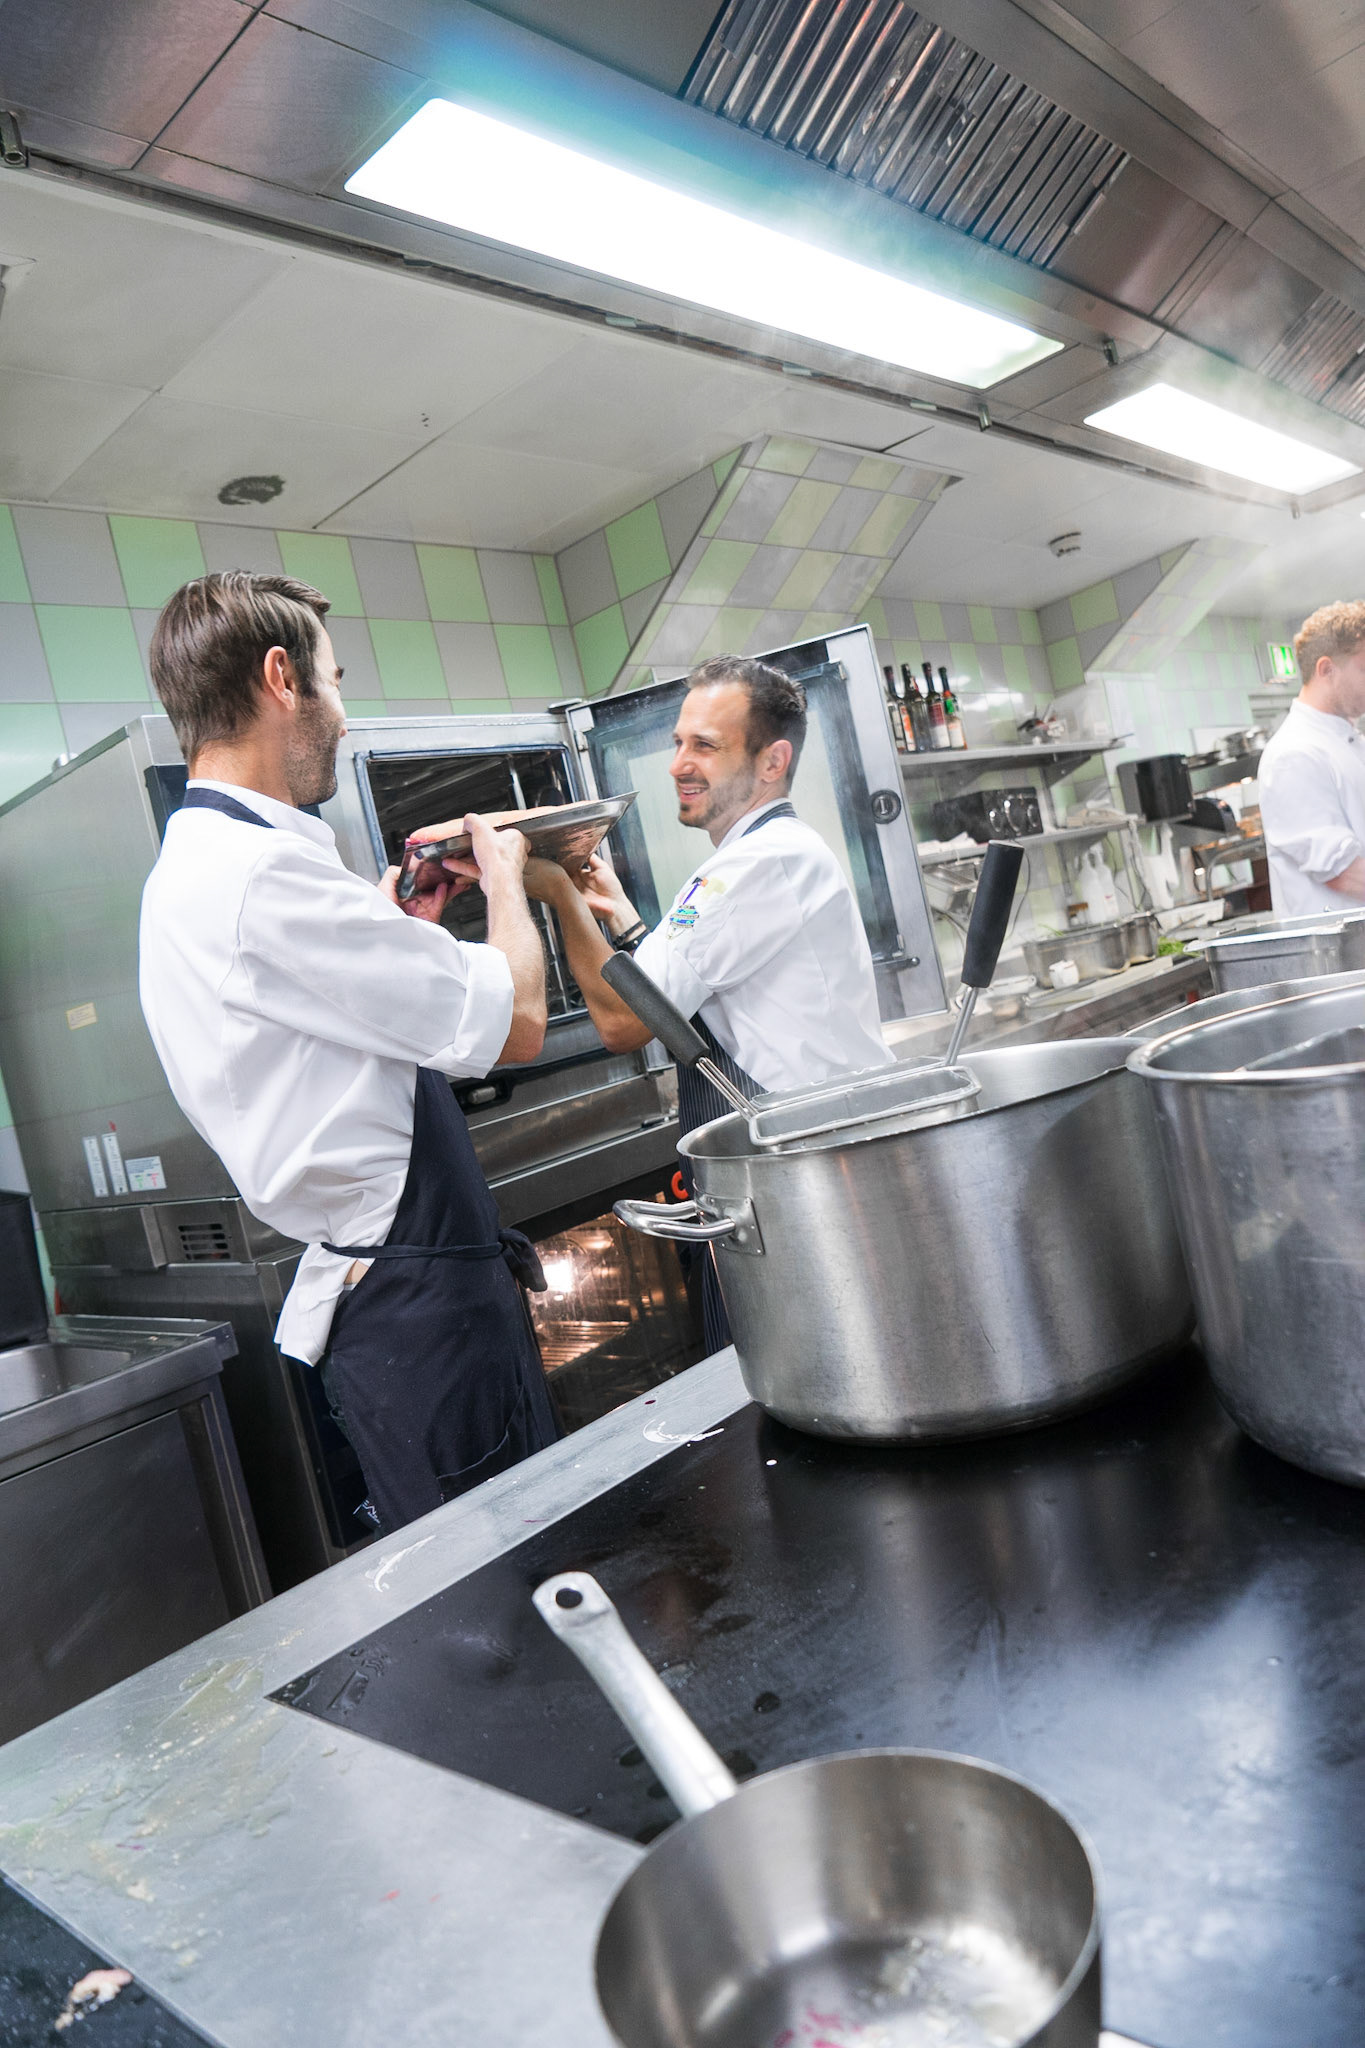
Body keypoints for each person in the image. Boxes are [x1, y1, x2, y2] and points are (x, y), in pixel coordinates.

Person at [138, 571, 561, 1537]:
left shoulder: (205, 865)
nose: (342, 713)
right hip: (420, 1312)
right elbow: (519, 1023)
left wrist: (397, 931)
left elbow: (313, 1041)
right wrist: (510, 877)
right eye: (333, 682)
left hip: (411, 1299)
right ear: (281, 679)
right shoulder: (257, 872)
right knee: (504, 1581)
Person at [524, 654, 892, 1351]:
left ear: (772, 762)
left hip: (793, 1189)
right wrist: (624, 921)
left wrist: (559, 895)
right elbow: (698, 992)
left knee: (794, 1374)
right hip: (787, 1179)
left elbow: (625, 1020)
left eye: (706, 746)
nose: (678, 765)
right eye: (677, 743)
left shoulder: (752, 865)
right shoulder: (766, 856)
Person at [1258, 600, 1365, 918]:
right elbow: (1343, 872)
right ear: (1326, 669)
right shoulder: (1294, 754)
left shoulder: (1348, 742)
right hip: (1342, 946)